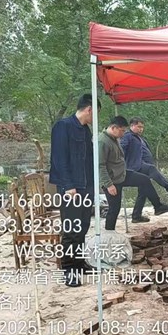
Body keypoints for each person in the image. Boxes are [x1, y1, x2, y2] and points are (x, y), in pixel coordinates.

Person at [49, 94, 98, 287]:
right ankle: (69, 268)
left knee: (83, 226)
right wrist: (68, 186)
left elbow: (88, 160)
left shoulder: (85, 130)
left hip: (86, 187)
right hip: (71, 188)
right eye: (96, 113)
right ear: (89, 109)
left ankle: (79, 262)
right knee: (71, 228)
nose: (96, 118)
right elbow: (59, 159)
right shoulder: (63, 126)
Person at [98, 116, 168, 228]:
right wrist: (109, 184)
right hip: (112, 180)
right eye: (122, 131)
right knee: (114, 209)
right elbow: (100, 165)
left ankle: (158, 206)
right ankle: (109, 232)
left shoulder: (115, 138)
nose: (123, 134)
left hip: (122, 174)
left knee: (144, 180)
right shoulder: (103, 141)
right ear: (114, 128)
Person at [121, 117, 168, 195]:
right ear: (132, 126)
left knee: (143, 190)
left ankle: (153, 202)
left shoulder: (140, 138)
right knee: (151, 169)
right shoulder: (128, 136)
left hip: (142, 164)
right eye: (139, 127)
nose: (141, 129)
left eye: (142, 127)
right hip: (134, 166)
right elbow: (121, 149)